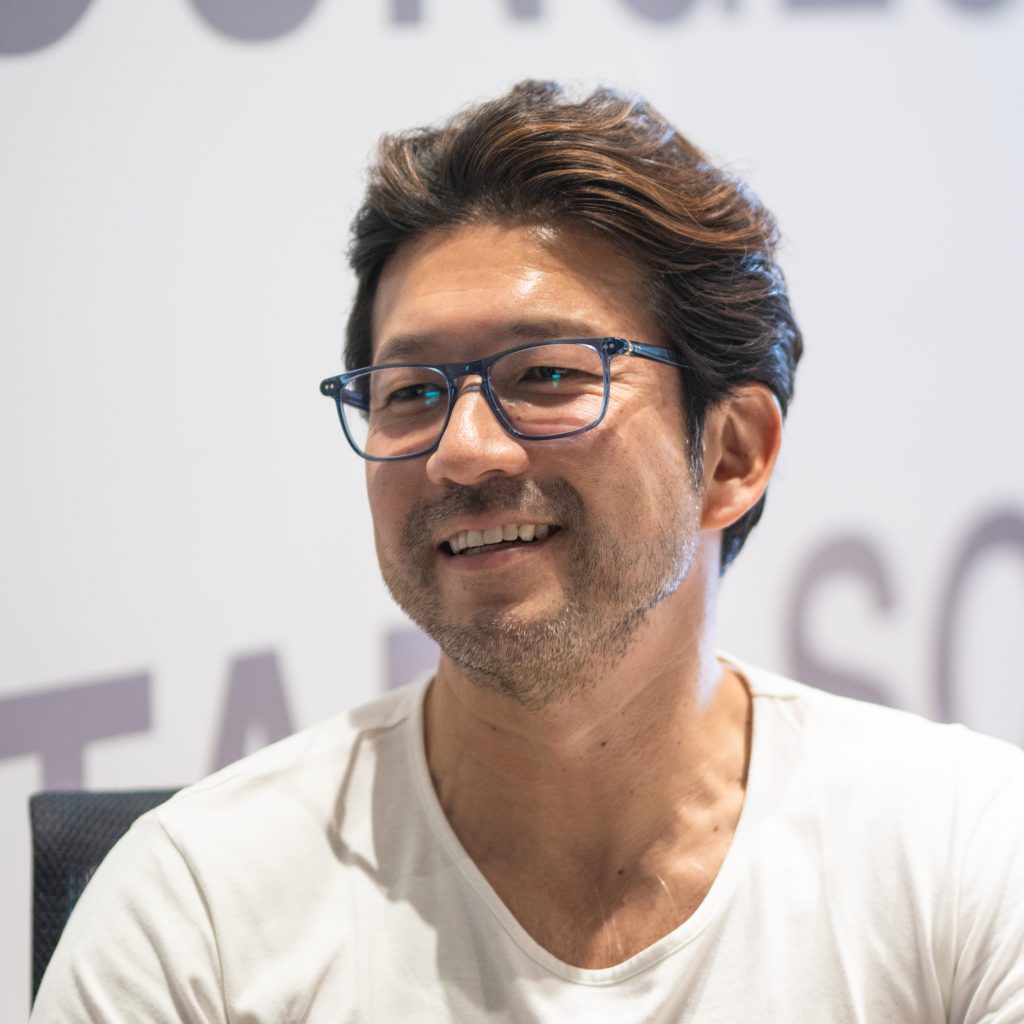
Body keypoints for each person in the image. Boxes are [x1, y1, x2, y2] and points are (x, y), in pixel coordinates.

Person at [32, 81, 1024, 1023]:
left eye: (547, 375)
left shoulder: (964, 855)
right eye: (410, 393)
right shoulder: (197, 912)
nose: (461, 450)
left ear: (731, 454)